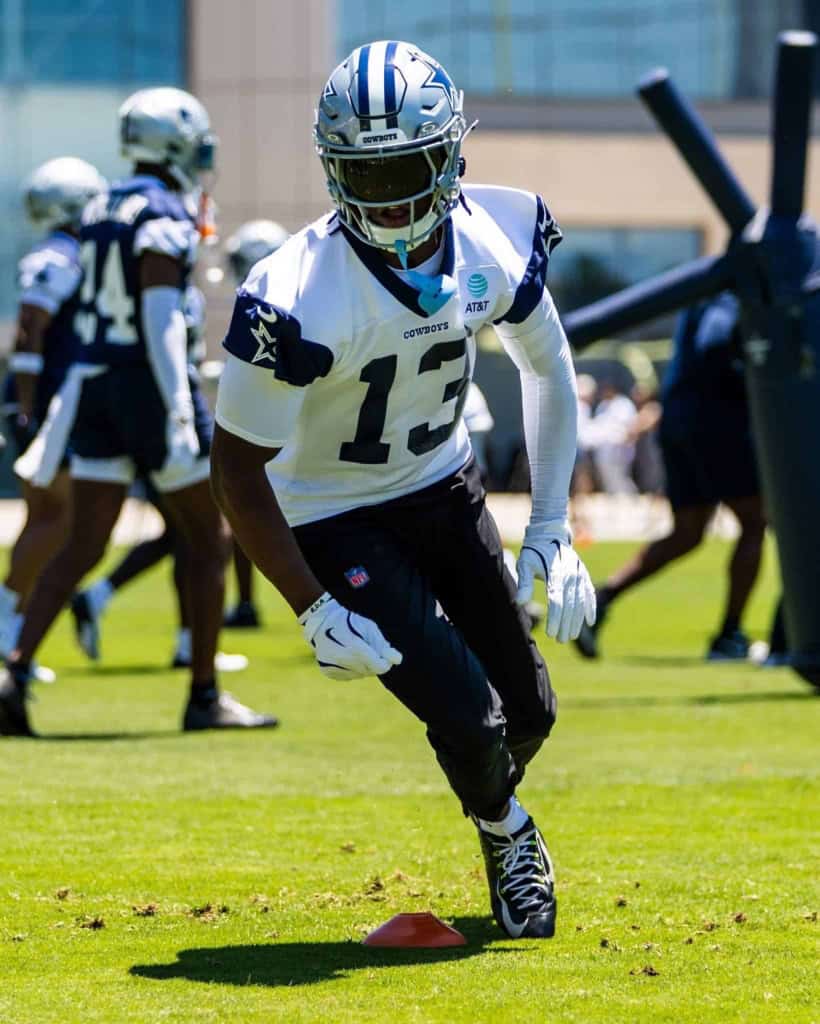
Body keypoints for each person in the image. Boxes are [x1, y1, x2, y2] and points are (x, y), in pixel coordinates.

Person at [210, 41, 595, 939]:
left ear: (455, 154)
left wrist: (554, 523)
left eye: (408, 171)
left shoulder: (495, 235)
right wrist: (307, 605)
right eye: (366, 177)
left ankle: (489, 787)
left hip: (440, 483)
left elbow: (548, 367)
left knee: (526, 711)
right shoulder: (294, 295)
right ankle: (508, 833)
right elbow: (234, 467)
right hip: (331, 515)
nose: (388, 200)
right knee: (467, 708)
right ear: (332, 172)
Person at [0, 87, 277, 736]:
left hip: (95, 385)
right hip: (147, 386)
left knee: (83, 542)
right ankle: (204, 694)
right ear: (174, 142)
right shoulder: (162, 212)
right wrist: (179, 403)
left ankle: (13, 673)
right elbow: (156, 316)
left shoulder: (101, 203)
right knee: (208, 540)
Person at [575, 292, 765, 662]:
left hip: (680, 420)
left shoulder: (706, 293)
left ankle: (600, 600)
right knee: (755, 521)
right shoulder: (730, 296)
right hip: (719, 423)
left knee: (688, 532)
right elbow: (715, 344)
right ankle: (729, 636)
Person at [69, 286, 248, 673]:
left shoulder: (173, 288)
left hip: (144, 413)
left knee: (187, 536)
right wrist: (182, 411)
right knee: (207, 536)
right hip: (164, 421)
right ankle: (198, 668)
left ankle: (184, 640)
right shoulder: (162, 279)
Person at [0, 158, 107, 680]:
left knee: (52, 519)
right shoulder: (58, 257)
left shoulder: (73, 253)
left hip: (47, 398)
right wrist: (27, 405)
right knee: (53, 517)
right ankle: (6, 625)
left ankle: (13, 629)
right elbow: (29, 329)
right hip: (41, 401)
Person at [221, 220, 290, 629]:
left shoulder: (278, 302)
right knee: (242, 509)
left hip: (287, 426)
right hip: (272, 421)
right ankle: (247, 604)